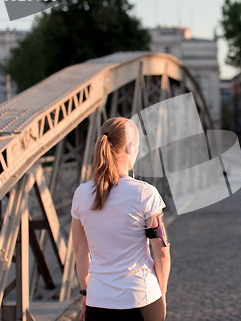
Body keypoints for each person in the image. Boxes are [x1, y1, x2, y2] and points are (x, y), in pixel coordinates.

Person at [71, 117, 171, 321]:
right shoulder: (145, 193)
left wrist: (85, 292)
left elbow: (80, 250)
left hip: (98, 301)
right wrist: (162, 293)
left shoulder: (81, 194)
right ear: (132, 147)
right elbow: (162, 252)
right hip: (141, 299)